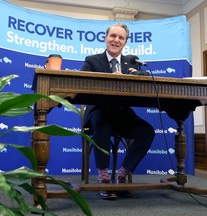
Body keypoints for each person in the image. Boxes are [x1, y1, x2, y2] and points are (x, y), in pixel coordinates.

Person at [81, 23, 155, 200]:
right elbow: (82, 84)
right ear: (106, 38)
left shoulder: (131, 62)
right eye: (113, 36)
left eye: (121, 38)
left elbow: (145, 78)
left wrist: (134, 75)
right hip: (98, 112)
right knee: (103, 122)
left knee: (147, 131)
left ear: (125, 42)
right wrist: (108, 80)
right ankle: (103, 177)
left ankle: (121, 175)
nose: (116, 40)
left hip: (123, 114)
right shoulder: (92, 60)